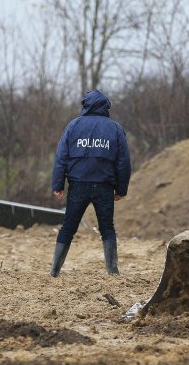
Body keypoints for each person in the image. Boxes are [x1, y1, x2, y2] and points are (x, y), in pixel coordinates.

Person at [50, 89, 132, 277]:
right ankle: (112, 271)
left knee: (68, 228)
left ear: (86, 105)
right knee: (107, 228)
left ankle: (54, 271)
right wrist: (121, 189)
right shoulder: (115, 128)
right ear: (106, 107)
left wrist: (58, 184)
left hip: (78, 185)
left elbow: (61, 157)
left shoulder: (73, 126)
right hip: (104, 187)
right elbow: (123, 162)